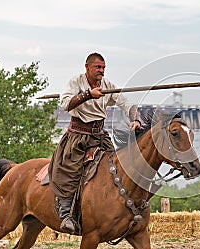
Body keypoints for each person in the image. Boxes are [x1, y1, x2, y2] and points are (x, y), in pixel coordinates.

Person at [49, 52, 141, 233]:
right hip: (77, 136)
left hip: (100, 135)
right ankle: (66, 214)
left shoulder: (107, 85)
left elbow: (126, 102)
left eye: (104, 68)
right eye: (98, 67)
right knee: (68, 171)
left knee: (116, 168)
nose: (101, 71)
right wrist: (88, 95)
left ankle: (114, 209)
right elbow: (66, 104)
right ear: (87, 67)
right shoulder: (75, 82)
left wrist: (135, 118)